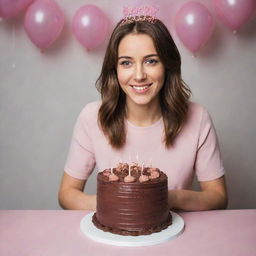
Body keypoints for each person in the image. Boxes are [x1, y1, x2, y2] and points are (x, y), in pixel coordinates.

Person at [58, 12, 228, 211]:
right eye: (126, 63)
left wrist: (167, 198)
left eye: (151, 61)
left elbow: (218, 197)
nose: (139, 75)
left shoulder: (198, 117)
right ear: (115, 69)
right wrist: (117, 203)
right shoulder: (92, 117)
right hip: (115, 238)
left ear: (167, 65)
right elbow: (67, 194)